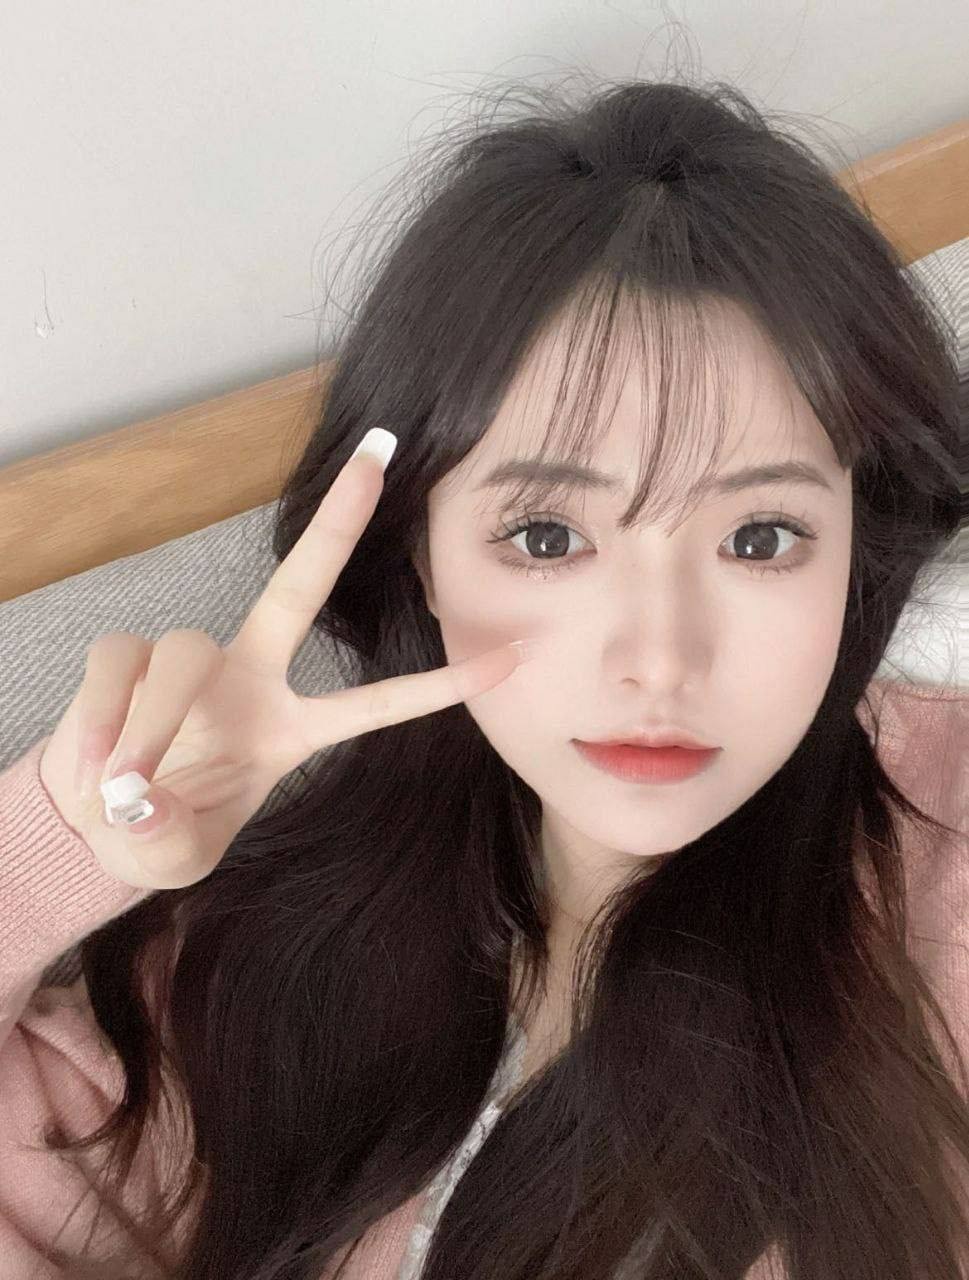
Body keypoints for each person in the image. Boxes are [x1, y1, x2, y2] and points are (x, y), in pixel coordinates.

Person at [1, 71, 966, 1280]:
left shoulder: (941, 859)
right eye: (548, 537)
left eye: (760, 536)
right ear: (420, 552)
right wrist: (62, 835)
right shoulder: (253, 976)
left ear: (859, 540)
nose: (658, 657)